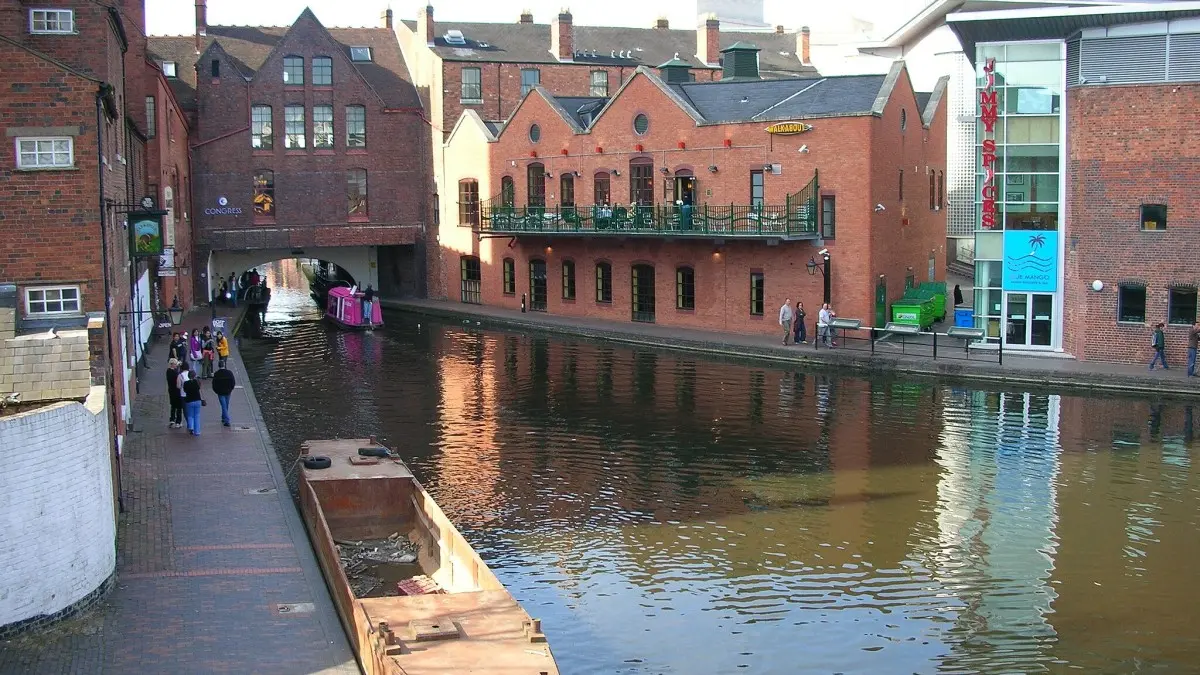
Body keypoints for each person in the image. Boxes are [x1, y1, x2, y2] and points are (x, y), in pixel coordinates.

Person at [182, 367, 203, 436]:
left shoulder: (186, 383)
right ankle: (197, 432)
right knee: (197, 416)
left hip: (189, 400)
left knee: (190, 415)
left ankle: (191, 427)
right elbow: (199, 387)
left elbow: (185, 390)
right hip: (197, 400)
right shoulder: (197, 382)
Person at [166, 358, 183, 429]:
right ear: (172, 364)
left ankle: (172, 419)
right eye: (175, 364)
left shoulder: (168, 371)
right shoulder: (175, 373)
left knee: (173, 405)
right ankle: (178, 422)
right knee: (179, 407)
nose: (176, 365)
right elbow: (178, 376)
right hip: (177, 391)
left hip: (171, 390)